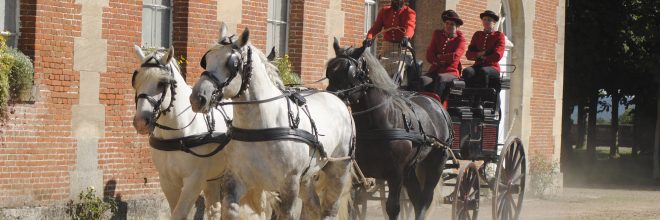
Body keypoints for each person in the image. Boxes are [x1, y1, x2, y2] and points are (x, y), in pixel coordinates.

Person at [364, 0, 416, 86]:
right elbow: (376, 27)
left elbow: (410, 26)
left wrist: (406, 37)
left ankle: (395, 90)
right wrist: (369, 38)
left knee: (398, 70)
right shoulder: (384, 11)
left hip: (402, 48)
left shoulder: (409, 12)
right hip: (386, 48)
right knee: (377, 71)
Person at [424, 10, 466, 101]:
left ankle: (437, 106)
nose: (448, 26)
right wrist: (438, 61)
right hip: (435, 70)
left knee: (440, 78)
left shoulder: (460, 39)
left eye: (452, 24)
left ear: (457, 27)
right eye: (447, 23)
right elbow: (429, 54)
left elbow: (455, 56)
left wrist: (439, 56)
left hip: (451, 72)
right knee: (422, 80)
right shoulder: (437, 34)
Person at [463, 10, 506, 92]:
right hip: (478, 65)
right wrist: (482, 53)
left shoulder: (499, 36)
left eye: (489, 20)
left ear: (494, 23)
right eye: (484, 19)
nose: (486, 21)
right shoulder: (477, 35)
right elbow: (468, 54)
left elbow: (497, 55)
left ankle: (481, 98)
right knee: (467, 71)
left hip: (493, 67)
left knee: (484, 71)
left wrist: (481, 57)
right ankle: (470, 97)